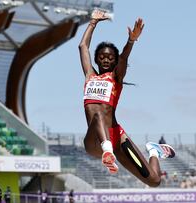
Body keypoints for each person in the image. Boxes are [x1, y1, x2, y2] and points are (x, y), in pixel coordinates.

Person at [79, 9, 175, 187]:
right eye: (102, 57)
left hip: (117, 137)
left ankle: (154, 151)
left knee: (154, 180)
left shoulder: (116, 78)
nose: (106, 60)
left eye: (110, 58)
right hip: (95, 141)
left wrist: (131, 40)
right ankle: (107, 151)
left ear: (114, 62)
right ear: (97, 60)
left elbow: (123, 57)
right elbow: (83, 46)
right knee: (98, 115)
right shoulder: (90, 76)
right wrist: (93, 22)